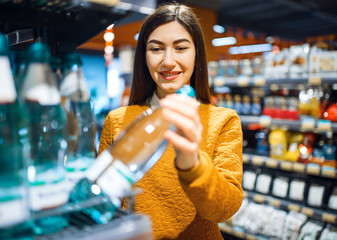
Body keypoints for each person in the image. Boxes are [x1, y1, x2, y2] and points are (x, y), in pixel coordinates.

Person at [98, 3, 243, 240]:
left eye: (181, 48)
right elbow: (103, 200)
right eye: (156, 49)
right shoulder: (118, 120)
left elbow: (224, 209)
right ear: (143, 56)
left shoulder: (223, 120)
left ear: (196, 54)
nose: (168, 61)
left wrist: (192, 164)